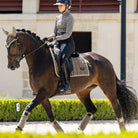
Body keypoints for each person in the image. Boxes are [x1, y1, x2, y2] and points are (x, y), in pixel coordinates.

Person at [45, 0, 75, 94]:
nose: (59, 7)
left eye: (61, 5)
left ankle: (67, 84)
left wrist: (55, 38)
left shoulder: (70, 18)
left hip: (67, 43)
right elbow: (55, 32)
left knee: (62, 59)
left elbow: (67, 34)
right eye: (58, 5)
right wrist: (48, 37)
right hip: (58, 42)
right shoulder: (57, 18)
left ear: (67, 6)